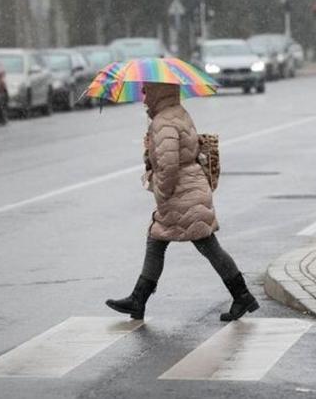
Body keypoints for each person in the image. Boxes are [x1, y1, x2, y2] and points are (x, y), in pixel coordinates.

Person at [106, 82, 259, 322]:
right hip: (191, 189)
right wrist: (151, 150)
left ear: (158, 92)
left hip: (182, 194)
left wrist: (161, 190)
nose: (144, 97)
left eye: (147, 91)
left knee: (206, 246)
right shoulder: (176, 113)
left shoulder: (163, 122)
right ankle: (139, 299)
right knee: (159, 241)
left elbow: (168, 166)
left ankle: (242, 295)